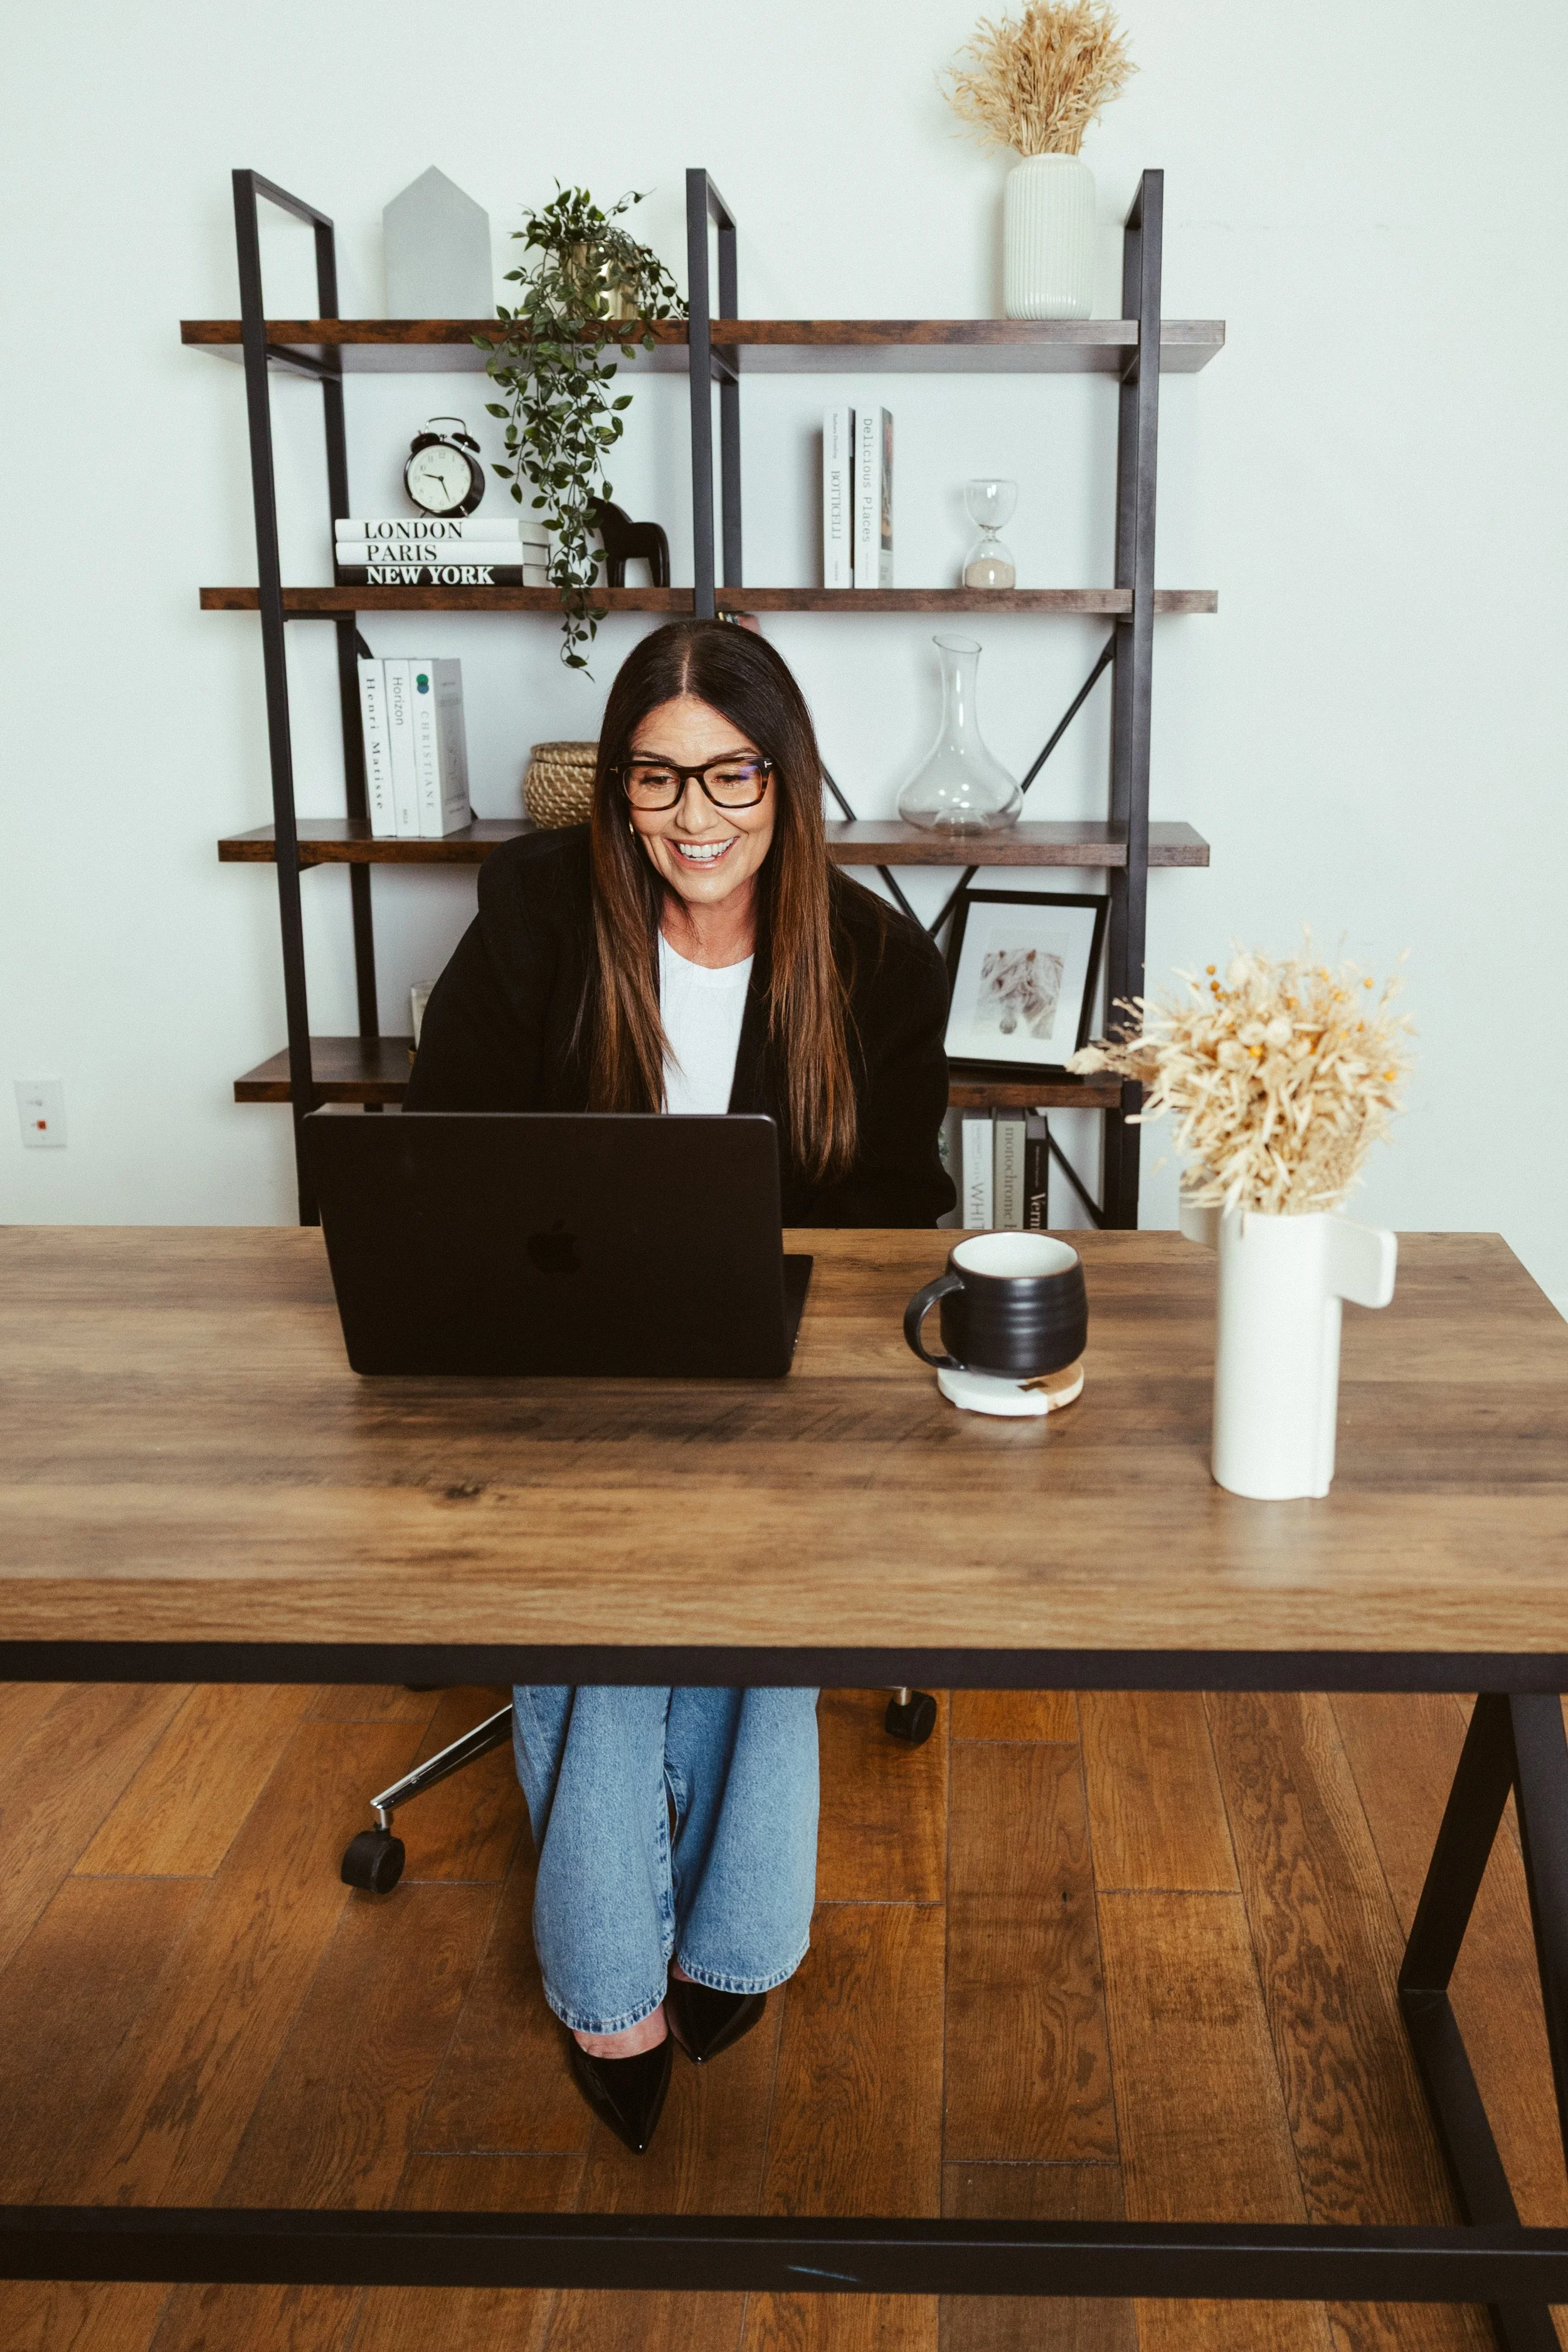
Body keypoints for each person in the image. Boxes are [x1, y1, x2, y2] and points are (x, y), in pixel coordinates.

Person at [406, 620, 955, 2151]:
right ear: (616, 790)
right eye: (655, 779)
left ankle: (710, 1952)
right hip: (554, 1367)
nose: (692, 816)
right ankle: (617, 1986)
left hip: (779, 1381)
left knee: (746, 1585)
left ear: (785, 783)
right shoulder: (531, 912)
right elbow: (439, 1156)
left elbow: (895, 1221)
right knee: (614, 1608)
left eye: (729, 775)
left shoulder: (874, 961)